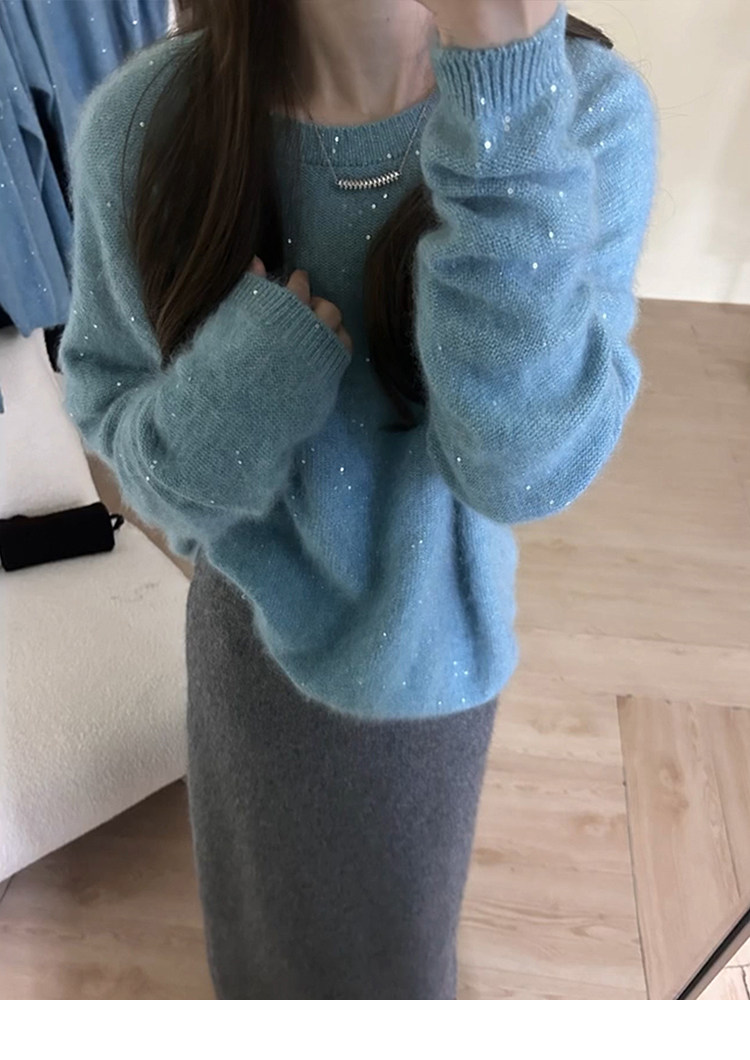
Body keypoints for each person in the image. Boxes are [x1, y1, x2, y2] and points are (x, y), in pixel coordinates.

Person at [58, 0, 657, 999]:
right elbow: (137, 460)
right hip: (245, 660)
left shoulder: (584, 115)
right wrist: (242, 388)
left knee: (397, 965)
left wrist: (505, 108)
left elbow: (522, 467)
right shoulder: (146, 125)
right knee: (257, 949)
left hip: (432, 674)